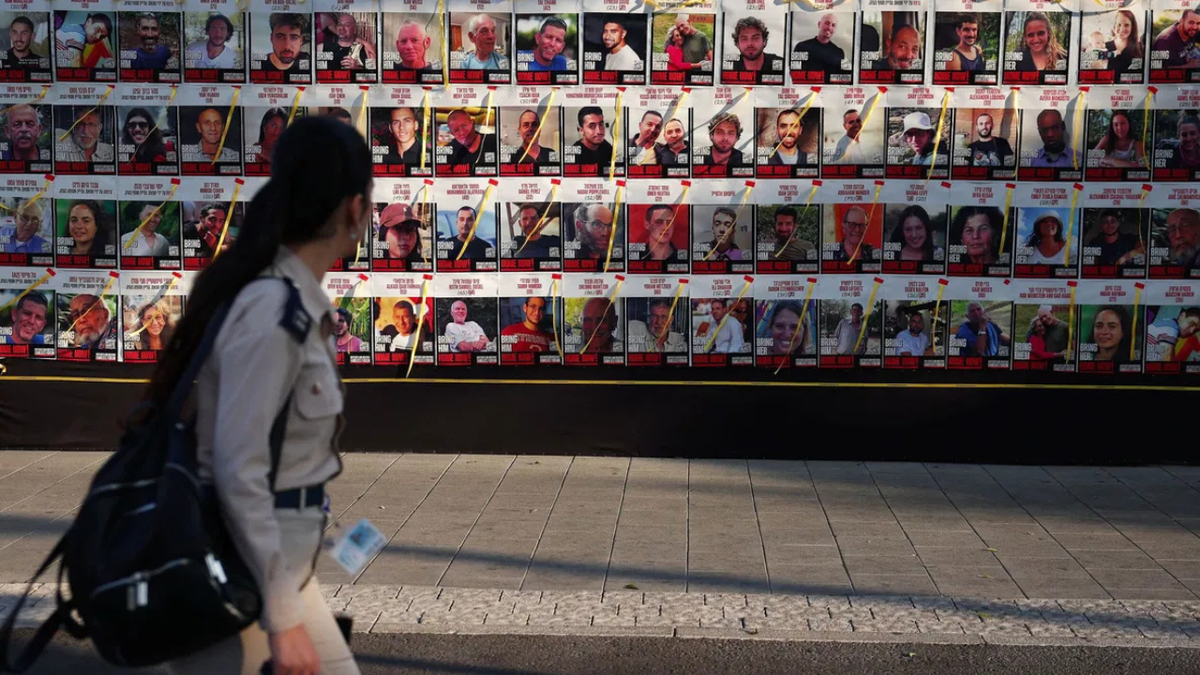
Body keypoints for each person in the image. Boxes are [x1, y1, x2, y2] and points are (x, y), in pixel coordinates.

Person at [144, 116, 368, 675]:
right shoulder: (273, 310)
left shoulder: (292, 298)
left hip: (278, 571)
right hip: (242, 574)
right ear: (355, 210)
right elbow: (238, 467)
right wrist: (283, 617)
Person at [1093, 10, 1142, 75]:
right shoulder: (1104, 47)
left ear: (1132, 27)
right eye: (1119, 24)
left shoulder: (1140, 48)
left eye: (1126, 25)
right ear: (1114, 25)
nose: (1122, 29)